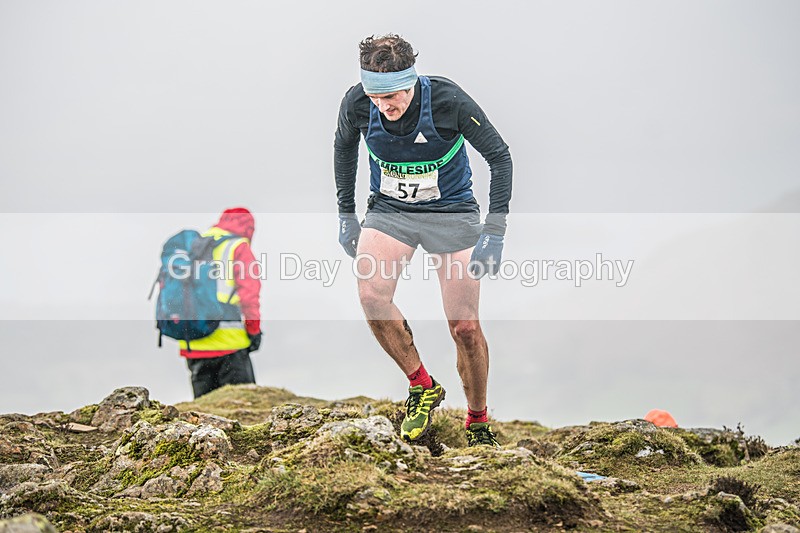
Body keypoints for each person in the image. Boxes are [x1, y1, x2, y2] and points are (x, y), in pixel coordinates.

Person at [334, 35, 512, 447]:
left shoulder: (449, 101)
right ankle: (421, 384)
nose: (383, 106)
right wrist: (346, 215)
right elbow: (343, 150)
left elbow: (500, 157)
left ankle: (477, 422)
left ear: (410, 82)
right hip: (390, 211)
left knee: (465, 328)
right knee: (371, 295)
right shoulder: (357, 103)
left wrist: (495, 231)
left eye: (391, 96)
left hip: (451, 213)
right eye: (375, 97)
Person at [180, 208, 262, 398]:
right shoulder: (238, 247)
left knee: (204, 411)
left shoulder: (195, 246)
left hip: (194, 342)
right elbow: (249, 295)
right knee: (242, 407)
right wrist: (254, 331)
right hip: (229, 345)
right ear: (249, 229)